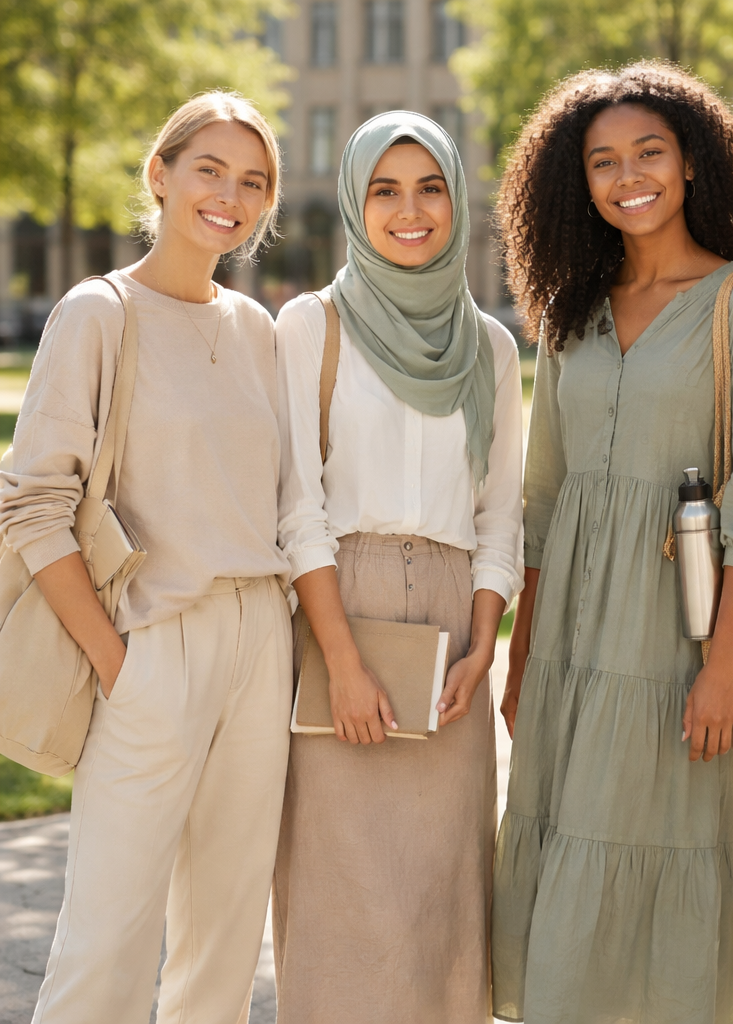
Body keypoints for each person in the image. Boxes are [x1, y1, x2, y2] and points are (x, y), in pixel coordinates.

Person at [491, 62, 733, 1024]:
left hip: (681, 632)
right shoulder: (567, 315)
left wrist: (727, 664)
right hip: (571, 637)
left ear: (693, 163)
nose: (629, 175)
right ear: (575, 181)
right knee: (569, 838)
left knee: (668, 838)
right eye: (603, 160)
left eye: (649, 152)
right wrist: (523, 648)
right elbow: (544, 495)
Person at [0, 92, 293, 1023]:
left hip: (262, 640)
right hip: (151, 637)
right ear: (160, 176)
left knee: (224, 936)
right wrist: (117, 664)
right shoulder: (98, 312)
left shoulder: (257, 330)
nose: (229, 196)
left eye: (253, 182)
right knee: (108, 940)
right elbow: (33, 505)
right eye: (208, 169)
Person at [272, 111, 524, 1024]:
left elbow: (500, 515)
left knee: (443, 897)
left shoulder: (491, 347)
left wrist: (483, 647)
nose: (409, 211)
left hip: (457, 626)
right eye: (385, 189)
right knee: (340, 894)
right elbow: (296, 505)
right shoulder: (311, 326)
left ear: (458, 199)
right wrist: (340, 661)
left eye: (430, 188)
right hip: (342, 606)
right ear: (355, 200)